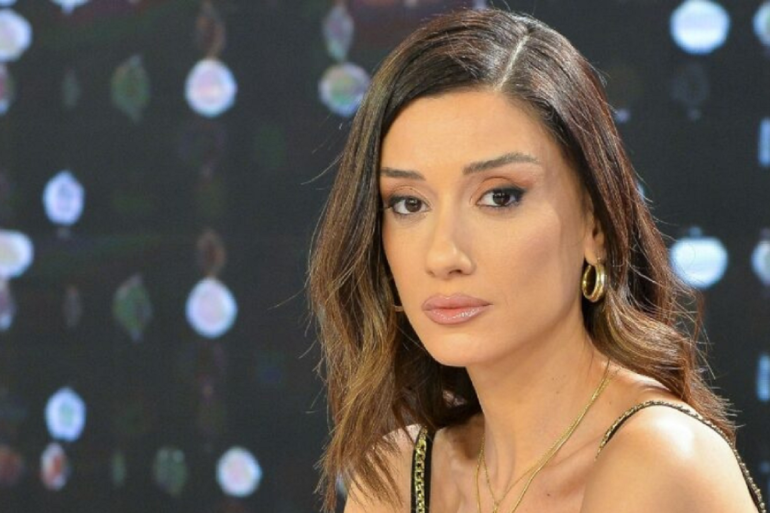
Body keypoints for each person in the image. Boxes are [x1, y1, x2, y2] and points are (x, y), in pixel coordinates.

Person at [307, 8, 766, 513]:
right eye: (409, 203)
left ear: (595, 224)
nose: (443, 256)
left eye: (499, 197)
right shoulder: (397, 474)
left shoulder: (659, 458)